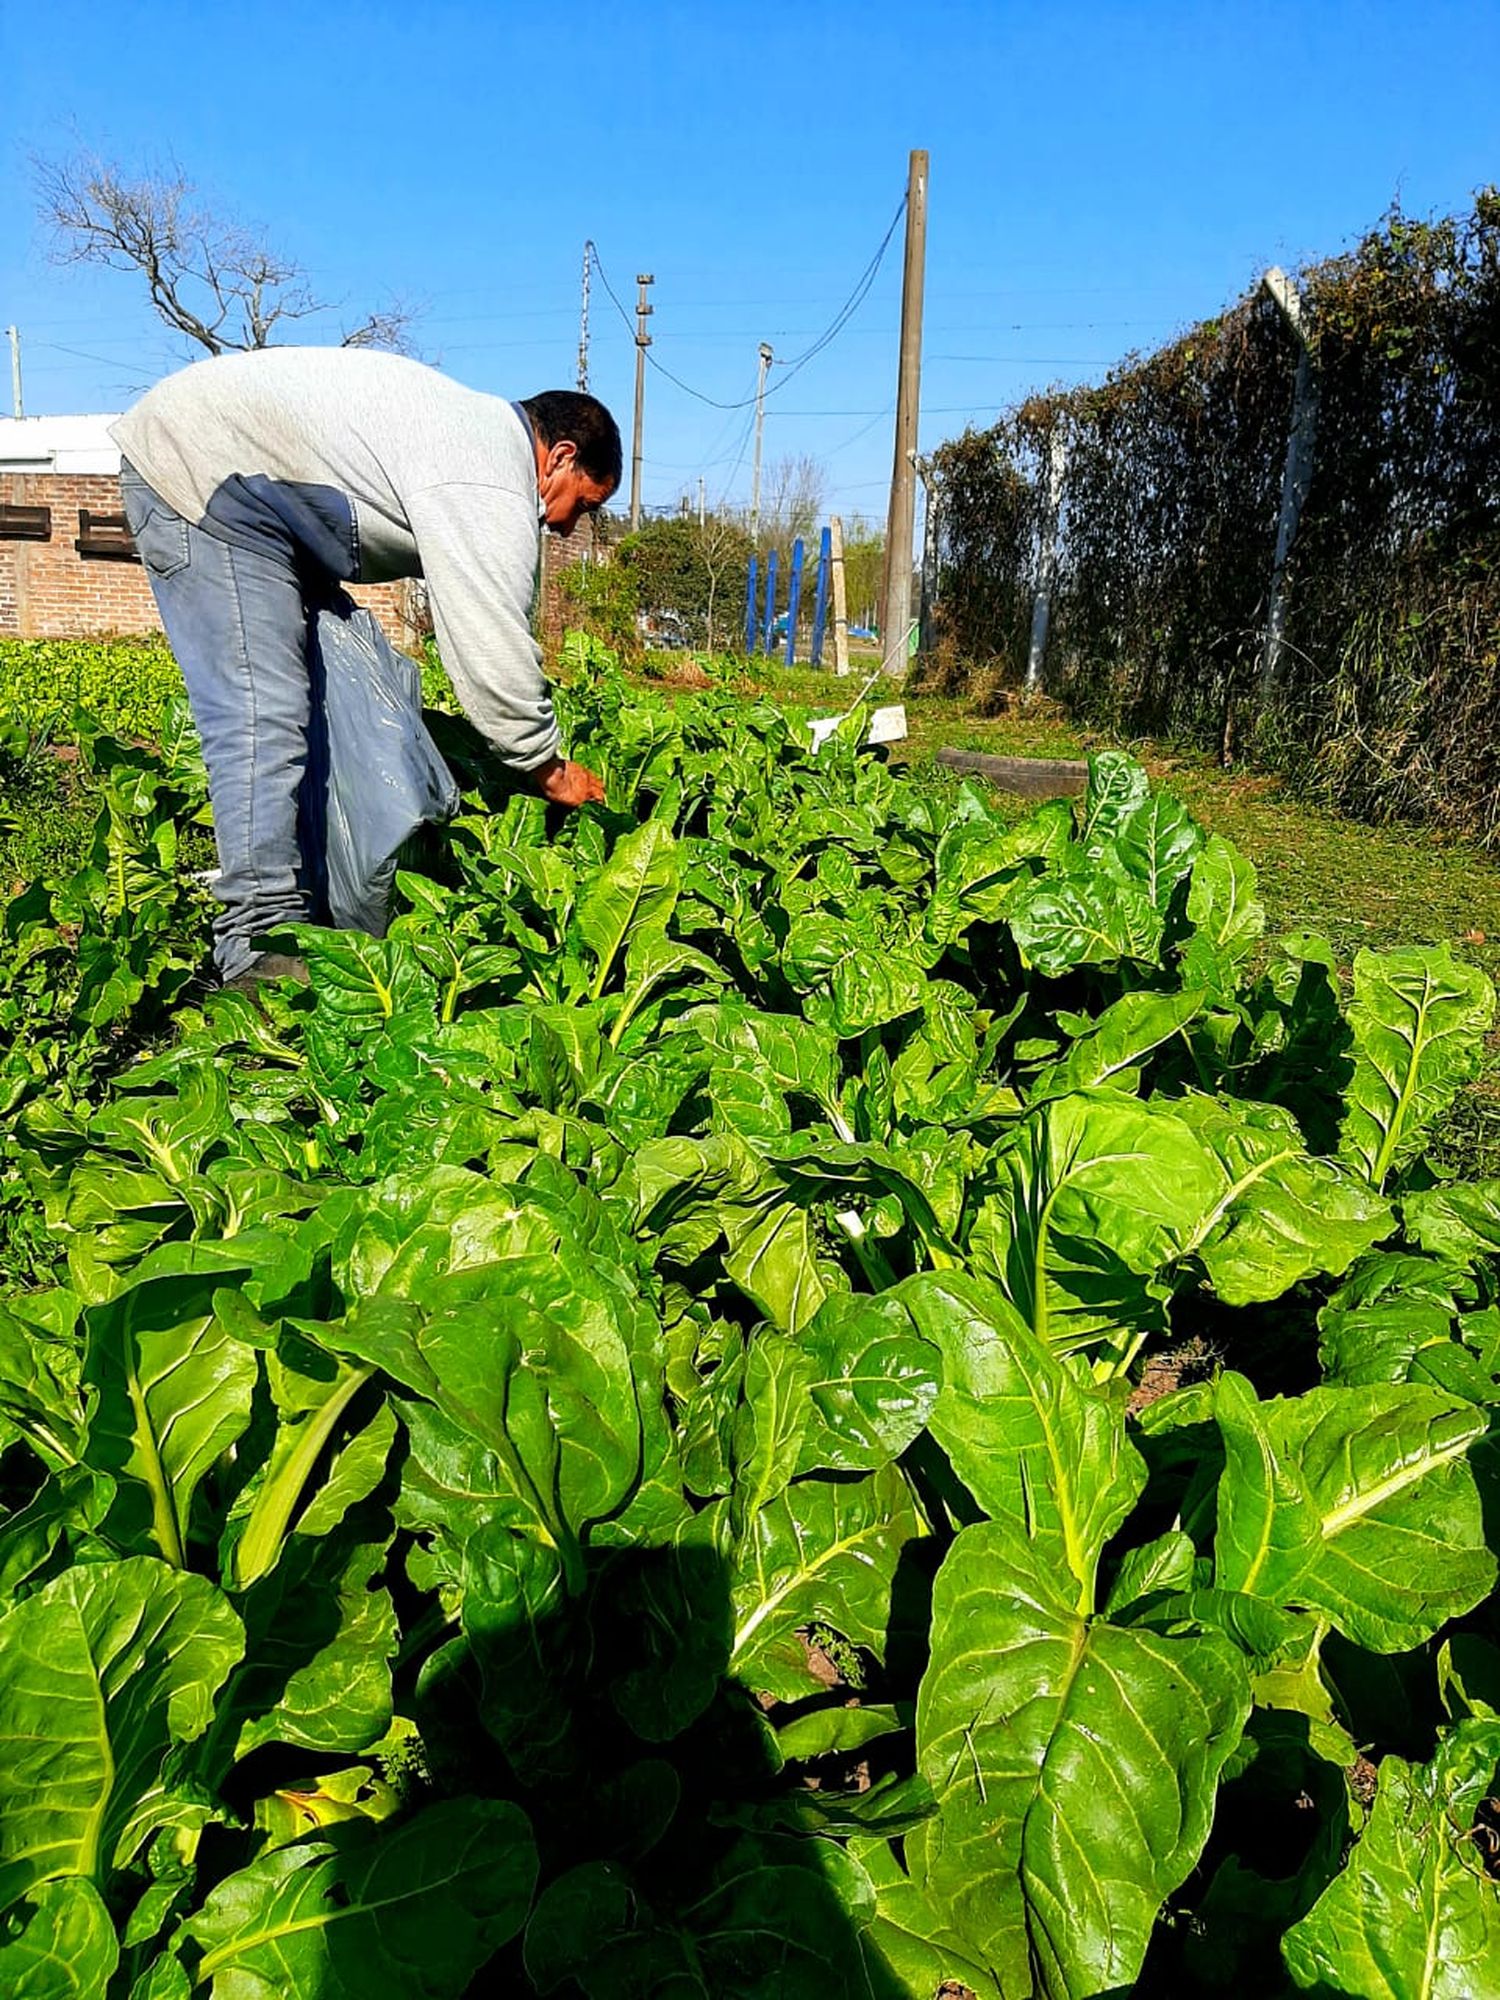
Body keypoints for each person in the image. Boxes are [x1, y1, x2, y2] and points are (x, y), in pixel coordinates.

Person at [111, 348, 618, 988]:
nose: (571, 526)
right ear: (562, 457)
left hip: (266, 505)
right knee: (261, 712)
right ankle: (257, 947)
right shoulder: (491, 475)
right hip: (207, 474)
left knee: (331, 708)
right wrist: (548, 769)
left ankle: (317, 906)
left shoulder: (478, 443)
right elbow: (493, 651)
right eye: (586, 503)